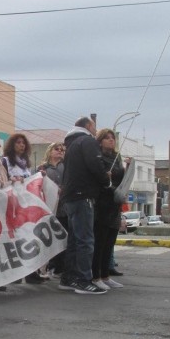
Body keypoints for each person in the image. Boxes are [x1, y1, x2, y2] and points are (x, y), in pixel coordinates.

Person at [57, 117, 110, 294]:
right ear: (88, 126)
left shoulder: (71, 144)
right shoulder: (87, 141)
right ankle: (83, 280)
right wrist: (106, 179)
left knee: (75, 239)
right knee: (85, 239)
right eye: (94, 126)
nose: (96, 130)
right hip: (83, 195)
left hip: (71, 196)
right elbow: (95, 165)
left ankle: (69, 277)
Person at [91, 129, 128, 290]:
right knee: (100, 241)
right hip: (102, 202)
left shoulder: (116, 157)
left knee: (110, 242)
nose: (111, 140)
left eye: (112, 138)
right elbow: (99, 178)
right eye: (107, 138)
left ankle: (106, 274)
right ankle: (96, 275)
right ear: (100, 141)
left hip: (115, 202)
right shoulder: (98, 157)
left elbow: (122, 177)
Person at [38, 142, 66, 278]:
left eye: (62, 150)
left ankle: (60, 267)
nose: (60, 151)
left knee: (63, 238)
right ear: (50, 151)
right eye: (57, 149)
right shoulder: (42, 168)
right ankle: (48, 266)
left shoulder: (65, 167)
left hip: (64, 208)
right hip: (49, 208)